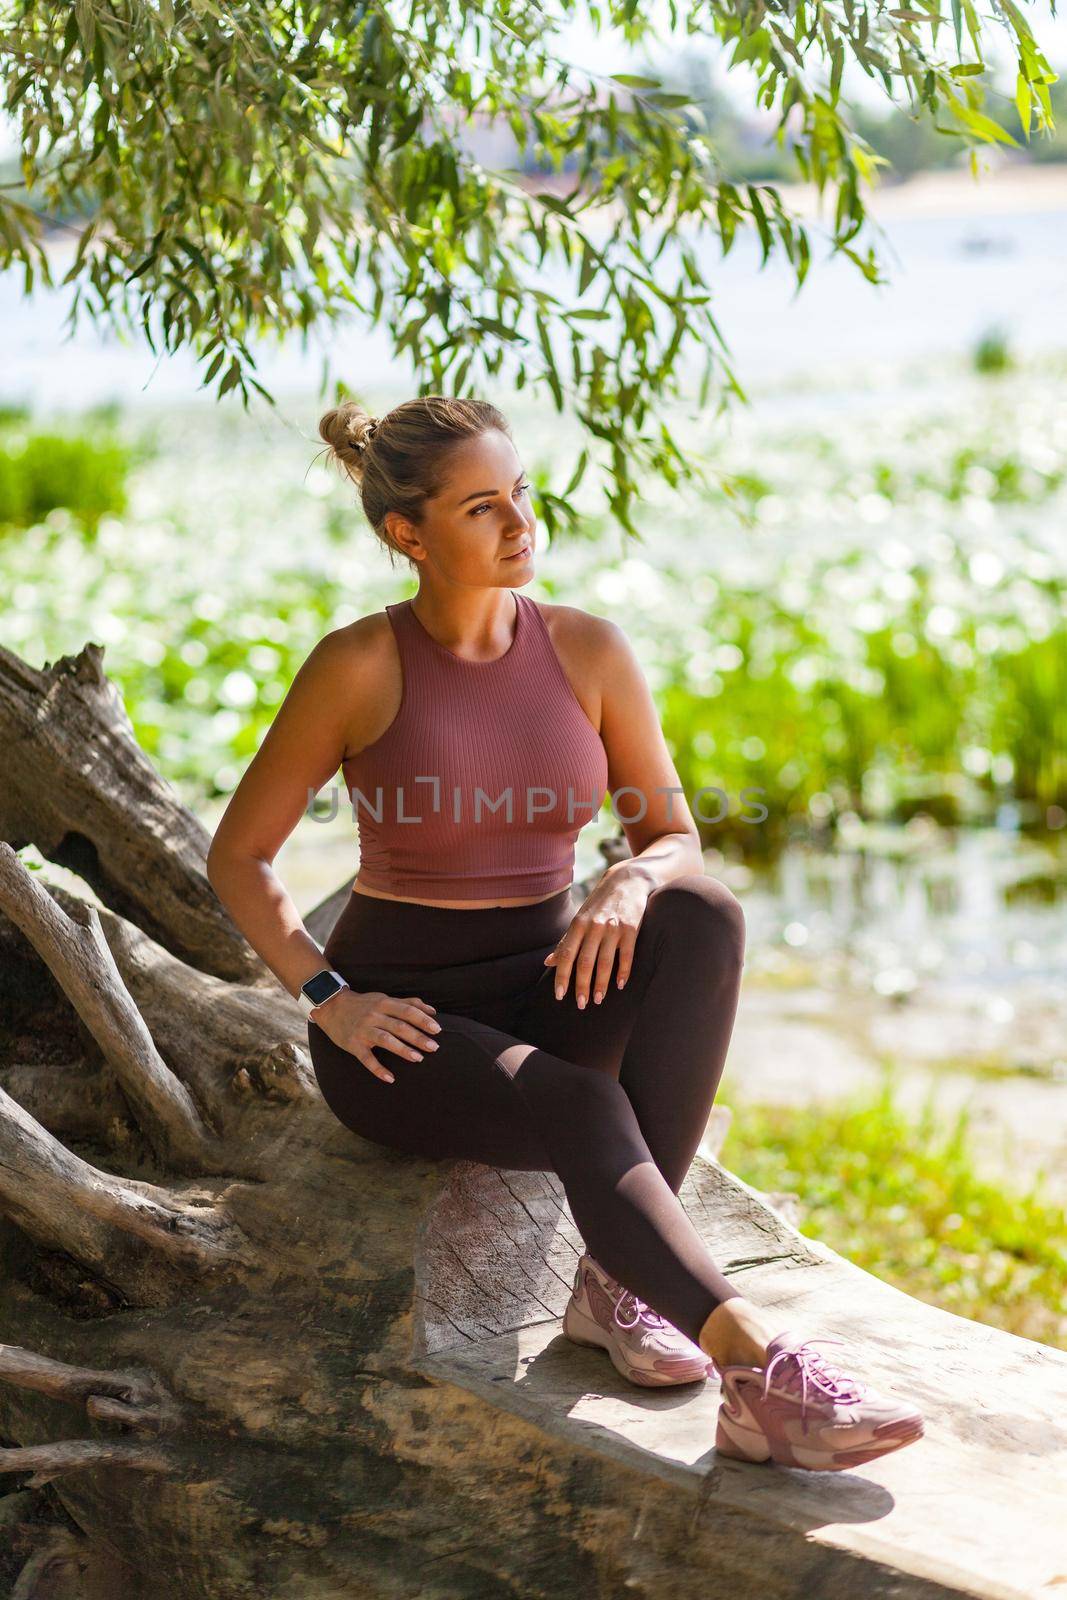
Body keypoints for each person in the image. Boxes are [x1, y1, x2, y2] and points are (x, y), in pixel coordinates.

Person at [206, 394, 924, 1472]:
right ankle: (756, 1365)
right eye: (482, 506)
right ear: (408, 534)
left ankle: (615, 1285)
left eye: (522, 493)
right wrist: (328, 998)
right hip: (403, 1025)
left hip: (551, 980)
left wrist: (629, 881)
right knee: (579, 1096)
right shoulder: (357, 664)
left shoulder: (587, 649)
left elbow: (673, 834)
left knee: (703, 912)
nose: (520, 523)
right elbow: (240, 856)